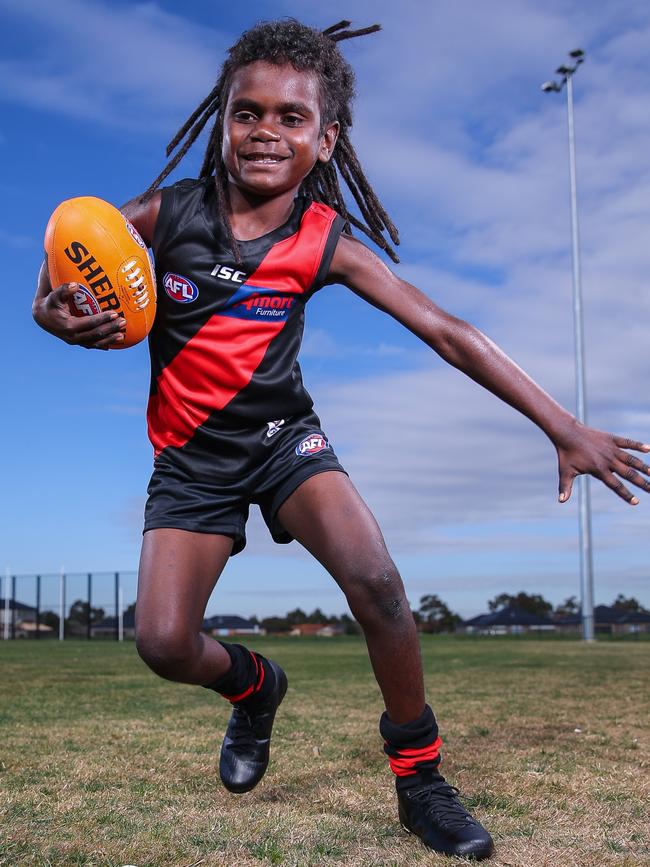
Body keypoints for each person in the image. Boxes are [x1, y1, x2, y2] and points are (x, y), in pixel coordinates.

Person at [32, 19, 649, 862]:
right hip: (192, 455)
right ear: (222, 120)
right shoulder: (170, 212)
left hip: (286, 439)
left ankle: (421, 777)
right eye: (247, 112)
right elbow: (73, 248)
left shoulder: (324, 240)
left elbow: (447, 329)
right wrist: (51, 311)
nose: (265, 131)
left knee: (379, 582)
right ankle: (257, 688)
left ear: (325, 140)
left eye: (291, 118)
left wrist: (562, 423)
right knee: (164, 642)